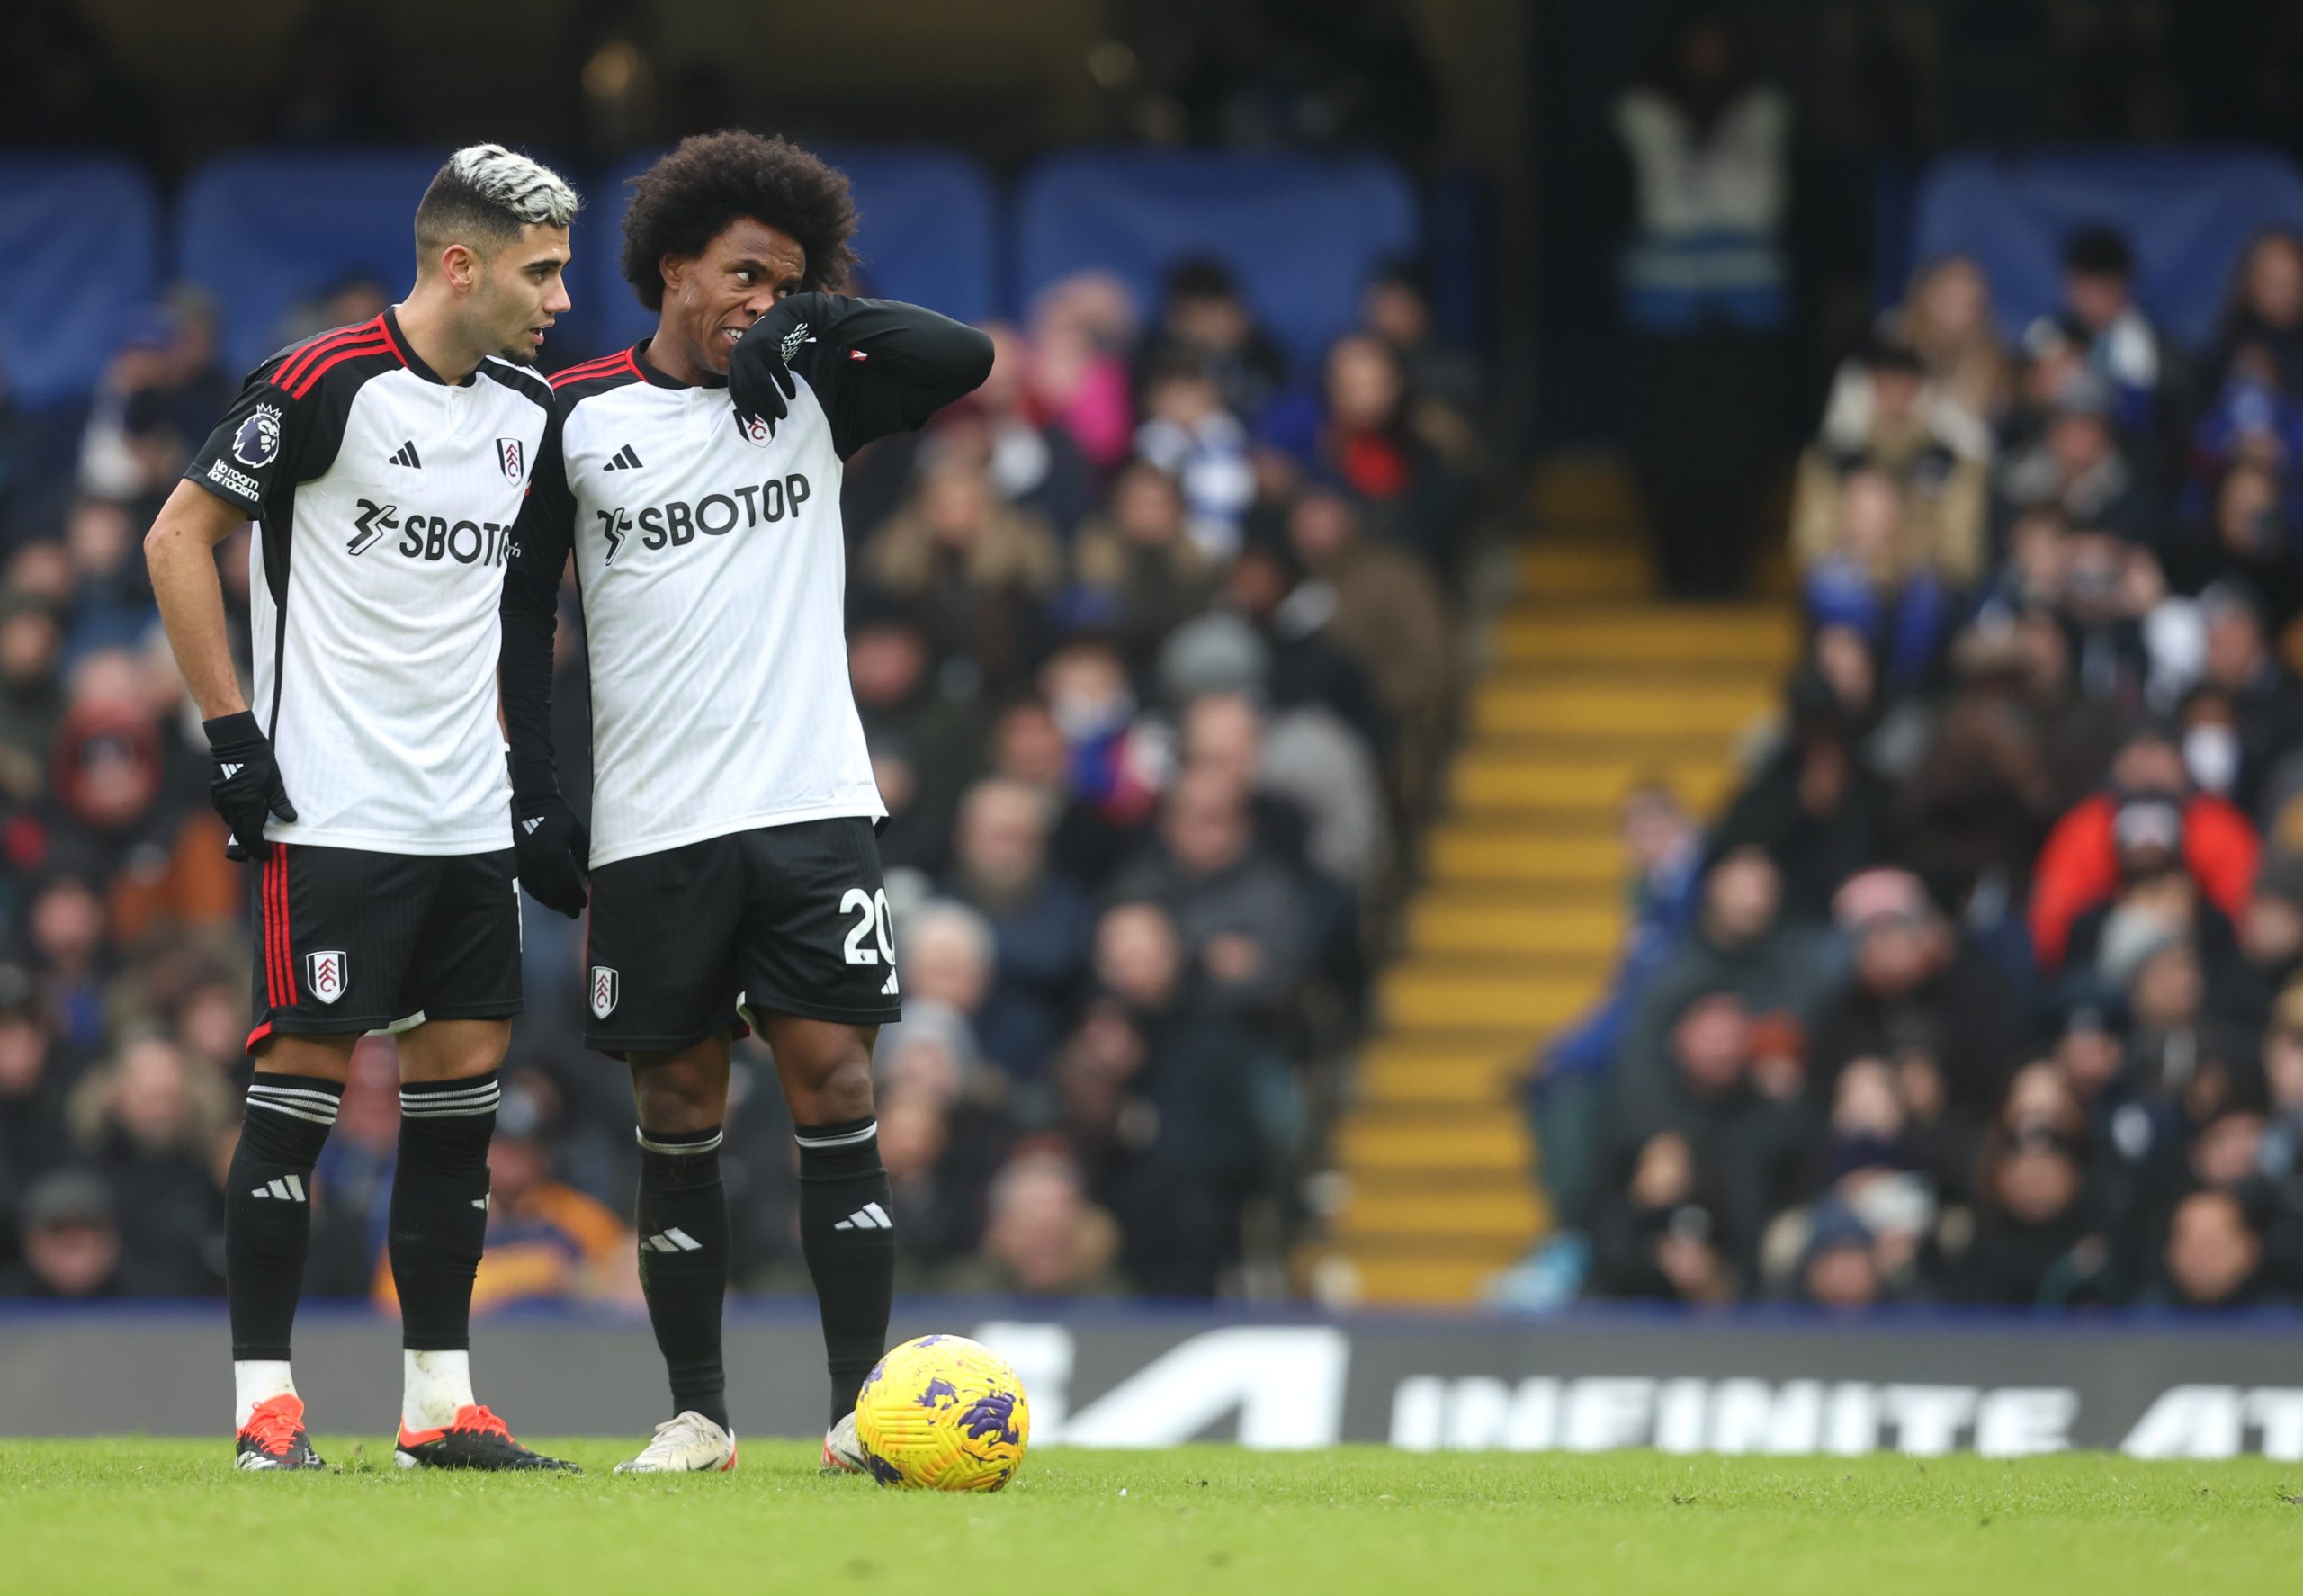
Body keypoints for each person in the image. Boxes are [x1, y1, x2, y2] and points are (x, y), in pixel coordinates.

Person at [498, 130, 991, 1476]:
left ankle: (856, 1414)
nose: (757, 306)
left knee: (835, 1081)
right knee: (678, 1103)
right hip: (653, 826)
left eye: (782, 282)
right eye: (741, 279)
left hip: (809, 803)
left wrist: (819, 323)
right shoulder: (577, 414)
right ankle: (698, 1413)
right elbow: (519, 611)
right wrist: (534, 796)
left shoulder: (820, 387)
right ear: (672, 269)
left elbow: (966, 358)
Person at [141, 144, 579, 1474]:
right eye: (541, 271)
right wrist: (231, 738)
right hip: (332, 813)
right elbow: (176, 538)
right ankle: (263, 1405)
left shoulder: (524, 405)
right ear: (462, 264)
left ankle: (438, 1405)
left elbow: (515, 615)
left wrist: (534, 788)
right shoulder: (321, 384)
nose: (559, 298)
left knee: (459, 1106)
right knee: (302, 1091)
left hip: (464, 819)